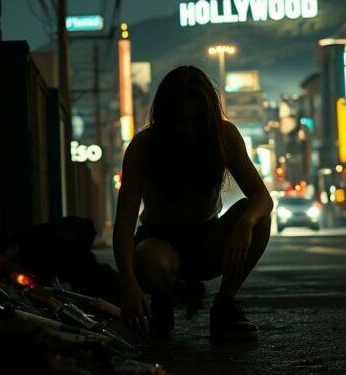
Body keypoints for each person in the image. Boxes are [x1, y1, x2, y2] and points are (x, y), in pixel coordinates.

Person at [112, 66, 273, 340]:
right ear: (164, 117)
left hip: (208, 240)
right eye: (179, 120)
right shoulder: (143, 145)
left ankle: (224, 305)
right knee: (151, 260)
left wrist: (245, 224)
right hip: (158, 241)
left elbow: (262, 197)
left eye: (196, 120)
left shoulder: (224, 136)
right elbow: (125, 222)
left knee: (258, 217)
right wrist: (129, 284)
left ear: (208, 116)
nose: (188, 129)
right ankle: (162, 300)